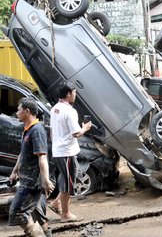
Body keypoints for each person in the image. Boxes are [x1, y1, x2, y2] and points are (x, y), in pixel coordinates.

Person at [8, 97, 54, 237]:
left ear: (27, 111)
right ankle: (46, 234)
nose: (16, 112)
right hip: (27, 179)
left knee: (16, 212)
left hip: (32, 182)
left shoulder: (37, 131)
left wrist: (45, 179)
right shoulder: (28, 129)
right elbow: (23, 153)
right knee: (36, 211)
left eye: (19, 110)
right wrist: (14, 172)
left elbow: (42, 156)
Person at [47, 81, 92, 223]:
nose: (75, 95)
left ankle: (56, 203)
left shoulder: (54, 109)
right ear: (68, 94)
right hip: (66, 152)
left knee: (67, 179)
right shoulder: (70, 111)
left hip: (59, 150)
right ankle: (65, 215)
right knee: (67, 183)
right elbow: (76, 134)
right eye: (74, 92)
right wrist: (85, 127)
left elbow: (52, 132)